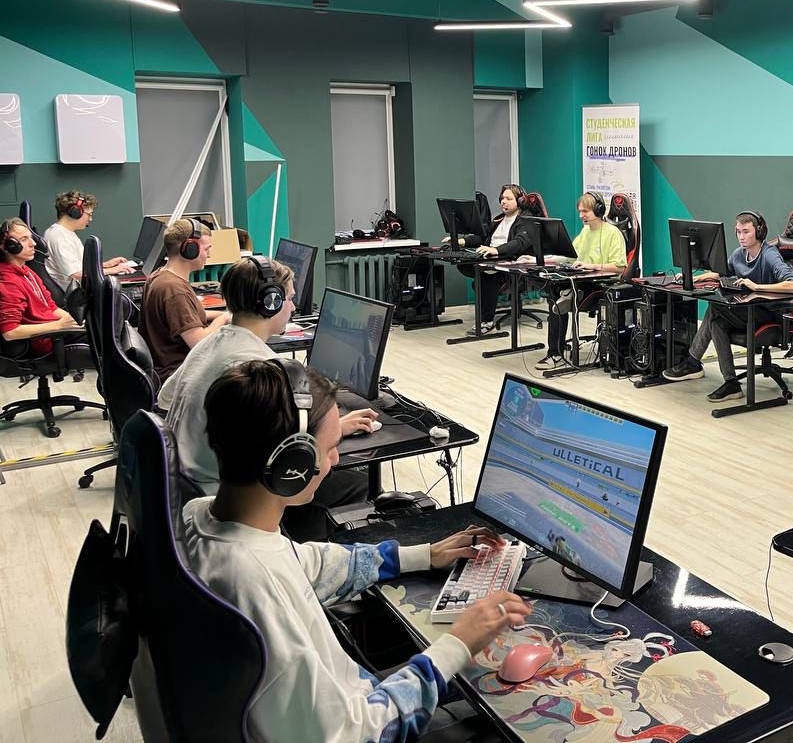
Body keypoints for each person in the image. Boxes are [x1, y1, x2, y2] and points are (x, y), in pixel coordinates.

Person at [185, 359, 533, 742]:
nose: (334, 461)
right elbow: (356, 734)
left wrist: (423, 555)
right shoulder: (254, 584)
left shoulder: (203, 517)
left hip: (340, 701)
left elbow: (308, 564)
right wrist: (457, 643)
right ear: (292, 464)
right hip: (358, 723)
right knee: (513, 702)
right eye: (330, 448)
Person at [160, 257, 377, 540]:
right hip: (222, 494)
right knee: (357, 481)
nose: (294, 307)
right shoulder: (257, 367)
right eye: (290, 299)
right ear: (270, 302)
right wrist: (332, 432)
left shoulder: (212, 341)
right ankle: (306, 550)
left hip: (183, 482)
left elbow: (165, 397)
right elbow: (283, 444)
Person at [661, 211, 793, 403]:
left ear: (759, 232)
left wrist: (757, 286)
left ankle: (693, 362)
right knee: (717, 324)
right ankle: (731, 383)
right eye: (738, 232)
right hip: (747, 311)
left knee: (715, 308)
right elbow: (720, 273)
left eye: (746, 232)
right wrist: (694, 278)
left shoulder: (769, 255)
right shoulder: (739, 254)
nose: (741, 237)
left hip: (769, 313)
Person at [536, 192, 627, 371]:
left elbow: (620, 267)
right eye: (580, 211)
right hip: (581, 281)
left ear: (599, 210)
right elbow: (569, 257)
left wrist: (591, 265)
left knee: (558, 298)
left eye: (585, 211)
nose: (581, 215)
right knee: (554, 292)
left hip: (601, 287)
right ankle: (555, 352)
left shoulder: (613, 233)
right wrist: (537, 260)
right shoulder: (585, 232)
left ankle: (556, 353)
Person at [140, 218, 232, 381]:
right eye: (207, 249)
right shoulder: (175, 290)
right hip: (176, 375)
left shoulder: (159, 275)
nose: (209, 254)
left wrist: (225, 314)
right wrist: (223, 319)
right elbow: (199, 343)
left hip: (164, 367)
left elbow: (188, 316)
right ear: (189, 249)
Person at [445, 184, 533, 336]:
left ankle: (486, 321)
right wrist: (461, 241)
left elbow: (519, 243)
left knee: (487, 277)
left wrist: (496, 250)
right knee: (464, 264)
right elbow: (483, 236)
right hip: (492, 258)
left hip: (511, 261)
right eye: (502, 198)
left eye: (509, 199)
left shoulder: (525, 220)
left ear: (520, 201)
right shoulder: (499, 219)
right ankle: (484, 303)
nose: (503, 202)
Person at [0, 218, 81, 357]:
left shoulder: (28, 272)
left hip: (55, 333)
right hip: (46, 341)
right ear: (7, 246)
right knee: (103, 339)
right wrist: (59, 326)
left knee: (101, 327)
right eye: (24, 239)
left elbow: (51, 307)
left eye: (30, 237)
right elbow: (10, 332)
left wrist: (75, 321)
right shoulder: (8, 282)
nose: (33, 243)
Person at [41, 191, 134, 294]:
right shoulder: (59, 236)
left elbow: (78, 266)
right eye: (89, 214)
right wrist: (112, 270)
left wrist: (104, 265)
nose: (90, 219)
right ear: (75, 213)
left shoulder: (64, 232)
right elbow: (76, 273)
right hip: (73, 295)